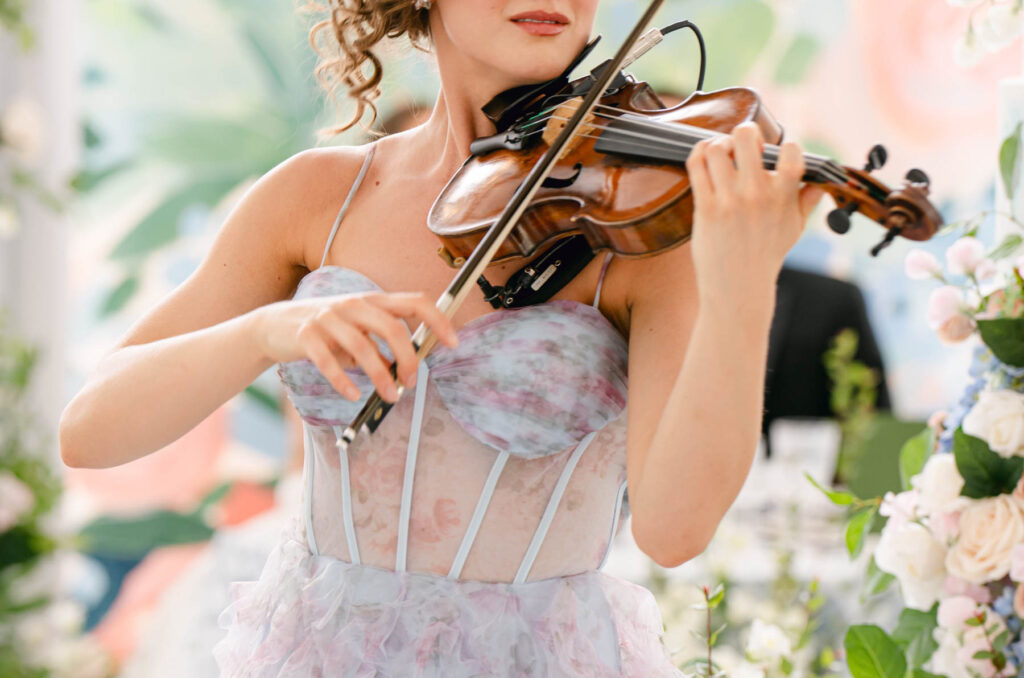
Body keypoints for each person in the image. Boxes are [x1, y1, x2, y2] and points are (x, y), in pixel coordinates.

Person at [57, 0, 824, 674]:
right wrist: (266, 331)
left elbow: (675, 529)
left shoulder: (634, 233)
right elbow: (91, 431)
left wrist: (743, 286)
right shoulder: (316, 196)